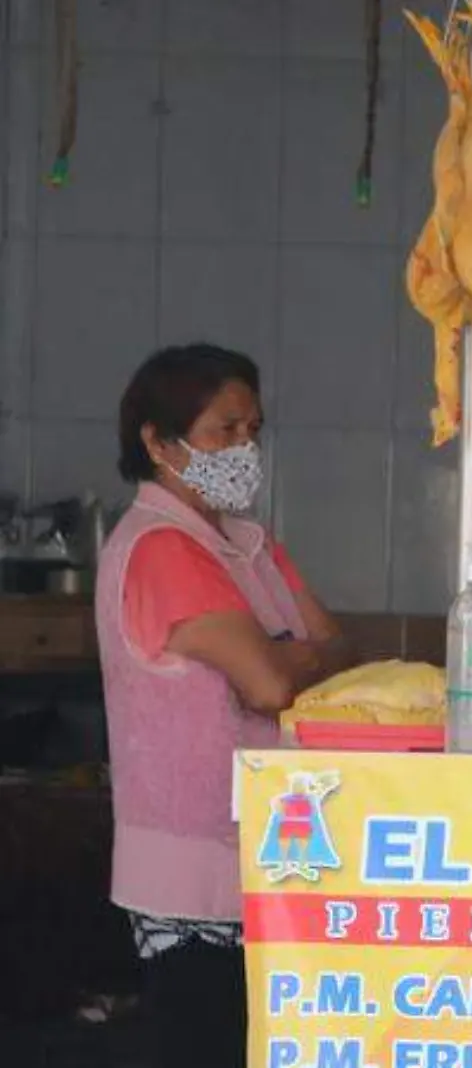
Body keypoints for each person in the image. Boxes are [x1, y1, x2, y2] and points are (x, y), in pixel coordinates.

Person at [95, 343, 355, 1068]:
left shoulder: (250, 543)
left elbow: (342, 657)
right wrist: (291, 658)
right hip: (192, 876)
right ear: (156, 440)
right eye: (224, 430)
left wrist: (285, 657)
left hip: (273, 856)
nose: (244, 447)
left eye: (254, 431)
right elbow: (274, 687)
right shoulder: (162, 548)